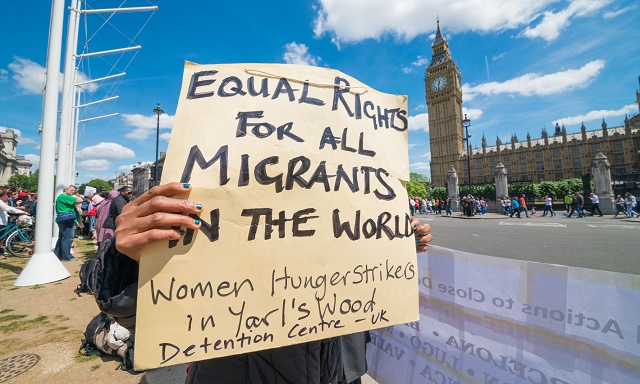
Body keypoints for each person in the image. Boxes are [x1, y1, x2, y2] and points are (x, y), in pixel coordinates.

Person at [97, 182, 433, 383]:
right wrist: (126, 260)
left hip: (343, 373)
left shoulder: (348, 216)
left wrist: (393, 245)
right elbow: (154, 320)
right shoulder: (220, 218)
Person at [54, 185, 82, 261]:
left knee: (62, 238)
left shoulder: (61, 196)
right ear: (66, 189)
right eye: (72, 190)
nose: (73, 192)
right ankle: (67, 256)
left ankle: (58, 254)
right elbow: (79, 200)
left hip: (63, 219)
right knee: (68, 238)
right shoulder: (64, 196)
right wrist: (76, 196)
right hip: (67, 220)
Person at [0, 189, 28, 258]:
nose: (6, 196)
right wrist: (21, 211)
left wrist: (7, 215)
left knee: (2, 238)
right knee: (1, 238)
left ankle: (1, 253)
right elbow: (8, 208)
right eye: (5, 195)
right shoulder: (0, 202)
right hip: (1, 222)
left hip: (3, 221)